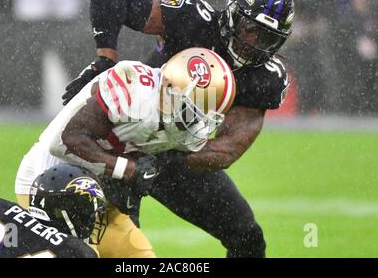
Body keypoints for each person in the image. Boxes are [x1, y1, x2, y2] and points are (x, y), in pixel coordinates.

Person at [61, 0, 295, 258]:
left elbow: (228, 149)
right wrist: (105, 59)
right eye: (251, 30)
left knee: (247, 237)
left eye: (268, 38)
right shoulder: (194, 19)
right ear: (234, 15)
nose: (255, 44)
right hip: (123, 143)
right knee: (114, 250)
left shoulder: (266, 77)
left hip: (177, 156)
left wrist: (165, 161)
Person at [15, 47, 236, 258]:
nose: (194, 123)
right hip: (50, 183)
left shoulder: (186, 123)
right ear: (168, 86)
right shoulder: (133, 87)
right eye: (190, 110)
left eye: (201, 115)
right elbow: (66, 140)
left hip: (99, 190)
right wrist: (128, 169)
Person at [0, 164, 107, 258]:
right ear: (61, 210)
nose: (89, 218)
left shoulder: (0, 210)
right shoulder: (78, 251)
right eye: (84, 211)